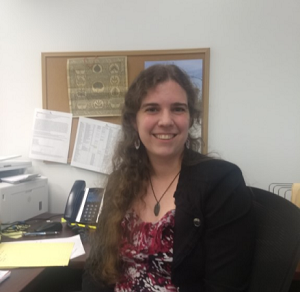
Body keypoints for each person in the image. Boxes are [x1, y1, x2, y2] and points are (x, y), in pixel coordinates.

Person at [82, 64, 255, 292]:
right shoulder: (120, 181)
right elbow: (97, 270)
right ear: (135, 120)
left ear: (190, 119)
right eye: (152, 109)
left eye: (178, 109)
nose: (166, 120)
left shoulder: (222, 182)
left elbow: (224, 285)